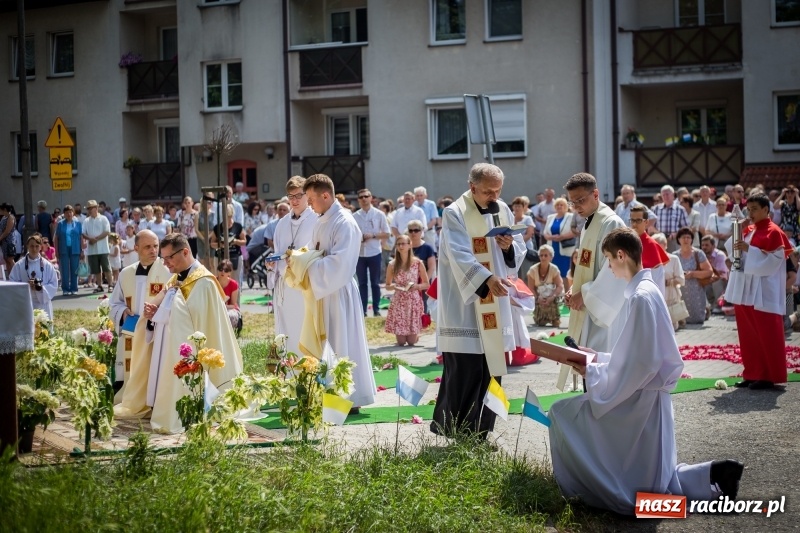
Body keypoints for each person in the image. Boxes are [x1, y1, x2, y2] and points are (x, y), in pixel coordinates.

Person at [548, 227, 744, 515]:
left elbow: (640, 364)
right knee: (656, 475)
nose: (609, 268)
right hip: (647, 393)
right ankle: (710, 475)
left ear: (621, 255)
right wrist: (598, 358)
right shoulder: (646, 290)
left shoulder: (640, 297)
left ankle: (587, 492)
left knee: (564, 415)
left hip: (640, 399)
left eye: (609, 260)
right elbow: (638, 354)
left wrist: (593, 372)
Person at [430, 163, 526, 439]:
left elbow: (518, 249)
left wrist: (509, 249)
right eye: (487, 191)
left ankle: (482, 432)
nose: (494, 197)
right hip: (466, 305)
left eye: (498, 190)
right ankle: (457, 431)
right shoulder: (455, 212)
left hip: (494, 301)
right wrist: (485, 280)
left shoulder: (503, 209)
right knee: (466, 368)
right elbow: (459, 254)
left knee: (491, 368)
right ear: (472, 187)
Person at [144, 233, 244, 433]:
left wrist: (168, 309)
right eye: (163, 259)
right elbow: (162, 301)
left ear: (186, 252)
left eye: (169, 258)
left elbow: (196, 319)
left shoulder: (204, 281)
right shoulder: (175, 278)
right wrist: (154, 310)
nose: (166, 264)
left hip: (199, 348)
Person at [294, 173, 376, 410]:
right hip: (324, 291)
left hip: (338, 291)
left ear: (326, 195)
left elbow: (340, 263)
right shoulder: (323, 219)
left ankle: (349, 399)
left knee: (342, 341)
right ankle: (330, 395)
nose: (309, 205)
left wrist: (307, 264)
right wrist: (299, 257)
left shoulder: (344, 222)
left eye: (311, 199)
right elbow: (315, 250)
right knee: (328, 342)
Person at [563, 172, 626, 389]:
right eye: (573, 202)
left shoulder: (611, 222)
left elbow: (612, 270)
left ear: (596, 194)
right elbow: (586, 266)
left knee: (600, 367)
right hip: (589, 304)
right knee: (587, 367)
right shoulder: (590, 223)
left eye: (581, 200)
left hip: (603, 310)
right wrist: (574, 289)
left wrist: (586, 295)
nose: (576, 207)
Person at [725, 193, 793, 390]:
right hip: (745, 289)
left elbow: (773, 261)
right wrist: (740, 229)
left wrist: (749, 249)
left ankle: (768, 375)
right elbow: (733, 249)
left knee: (765, 334)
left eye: (755, 209)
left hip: (763, 291)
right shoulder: (749, 229)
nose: (751, 213)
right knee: (748, 335)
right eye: (749, 209)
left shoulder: (774, 232)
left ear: (766, 209)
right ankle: (752, 373)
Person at [110, 230, 171, 413]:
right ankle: (132, 397)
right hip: (132, 330)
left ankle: (154, 401)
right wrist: (123, 312)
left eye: (155, 246)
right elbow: (114, 303)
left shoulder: (167, 272)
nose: (153, 250)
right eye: (147, 247)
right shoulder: (126, 274)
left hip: (155, 331)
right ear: (136, 248)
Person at [272, 176, 317, 356]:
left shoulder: (316, 219)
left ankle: (308, 366)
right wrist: (272, 263)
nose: (295, 200)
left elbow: (318, 250)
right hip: (286, 285)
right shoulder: (282, 223)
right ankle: (289, 367)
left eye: (299, 195)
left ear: (307, 195)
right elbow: (277, 250)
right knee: (288, 328)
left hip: (306, 285)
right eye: (291, 196)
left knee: (304, 328)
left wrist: (298, 259)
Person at [384, 234, 429, 346]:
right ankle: (403, 336)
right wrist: (395, 287)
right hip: (399, 300)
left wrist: (417, 286)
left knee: (411, 342)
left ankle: (415, 336)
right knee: (401, 342)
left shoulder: (418, 263)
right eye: (398, 244)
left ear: (410, 245)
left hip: (413, 299)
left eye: (403, 243)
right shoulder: (392, 264)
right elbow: (387, 285)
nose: (400, 246)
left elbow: (427, 284)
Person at [353, 188, 390, 317]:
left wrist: (373, 235)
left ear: (370, 198)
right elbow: (351, 234)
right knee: (362, 283)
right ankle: (362, 310)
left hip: (374, 252)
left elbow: (387, 233)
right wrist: (360, 238)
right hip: (360, 254)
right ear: (358, 200)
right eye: (361, 197)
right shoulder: (355, 216)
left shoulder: (379, 214)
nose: (364, 199)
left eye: (366, 196)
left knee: (375, 282)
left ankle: (376, 309)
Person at [9, 234, 59, 319]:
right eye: (32, 246)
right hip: (26, 303)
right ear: (27, 246)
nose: (34, 249)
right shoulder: (19, 265)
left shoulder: (47, 265)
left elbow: (54, 284)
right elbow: (12, 283)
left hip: (43, 303)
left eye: (37, 246)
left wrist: (40, 287)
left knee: (43, 329)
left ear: (40, 247)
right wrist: (26, 286)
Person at [676, 226, 713, 324]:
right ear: (678, 239)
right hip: (681, 291)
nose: (686, 240)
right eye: (683, 237)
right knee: (681, 319)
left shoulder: (698, 253)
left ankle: (705, 310)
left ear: (692, 240)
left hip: (696, 290)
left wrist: (692, 274)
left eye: (688, 237)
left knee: (697, 320)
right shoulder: (674, 256)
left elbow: (709, 272)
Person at [630, 206, 669, 296]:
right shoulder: (627, 241)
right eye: (632, 220)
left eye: (638, 220)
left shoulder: (652, 246)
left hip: (645, 295)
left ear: (646, 222)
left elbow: (657, 281)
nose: (634, 224)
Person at [653, 232, 687, 331]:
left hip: (670, 297)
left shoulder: (673, 259)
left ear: (665, 245)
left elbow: (681, 279)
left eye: (658, 245)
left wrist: (667, 282)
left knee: (671, 328)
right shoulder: (650, 260)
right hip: (655, 297)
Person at [82, 200, 114, 293]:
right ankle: (99, 285)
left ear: (96, 208)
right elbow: (83, 233)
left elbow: (107, 231)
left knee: (106, 267)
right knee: (96, 269)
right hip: (92, 249)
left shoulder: (103, 218)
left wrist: (95, 239)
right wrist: (89, 239)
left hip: (103, 248)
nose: (88, 210)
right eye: (88, 209)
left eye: (90, 208)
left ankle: (110, 285)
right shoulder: (86, 220)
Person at [527, 244, 563, 327]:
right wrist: (537, 297)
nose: (543, 257)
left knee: (555, 323)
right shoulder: (532, 270)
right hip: (539, 297)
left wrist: (552, 296)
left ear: (551, 257)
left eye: (546, 255)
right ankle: (540, 316)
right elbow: (531, 288)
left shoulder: (554, 269)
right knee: (541, 323)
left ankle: (554, 316)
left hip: (551, 296)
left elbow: (559, 286)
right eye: (541, 255)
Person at [209, 204, 246, 281]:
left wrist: (236, 241)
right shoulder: (217, 227)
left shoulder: (238, 226)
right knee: (220, 280)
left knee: (235, 279)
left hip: (235, 255)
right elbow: (212, 243)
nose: (228, 219)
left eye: (230, 216)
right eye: (226, 216)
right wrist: (221, 245)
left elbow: (244, 241)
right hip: (220, 256)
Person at [52, 205, 83, 295]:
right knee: (64, 269)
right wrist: (56, 251)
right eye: (66, 212)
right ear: (64, 214)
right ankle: (65, 289)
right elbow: (56, 238)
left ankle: (74, 288)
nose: (69, 214)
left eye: (70, 212)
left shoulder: (78, 224)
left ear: (73, 213)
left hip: (75, 248)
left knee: (74, 269)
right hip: (63, 248)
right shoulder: (60, 224)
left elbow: (81, 237)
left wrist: (82, 250)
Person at [542, 197, 576, 280]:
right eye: (557, 205)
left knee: (565, 272)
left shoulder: (571, 217)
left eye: (562, 205)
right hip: (552, 248)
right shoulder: (550, 217)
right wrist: (552, 237)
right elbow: (545, 233)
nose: (559, 206)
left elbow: (575, 231)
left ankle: (566, 290)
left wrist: (562, 237)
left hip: (565, 248)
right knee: (553, 271)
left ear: (565, 206)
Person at [408, 219, 436, 314]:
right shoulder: (405, 247)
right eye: (410, 230)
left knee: (424, 306)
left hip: (424, 282)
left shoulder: (428, 248)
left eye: (416, 230)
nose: (413, 233)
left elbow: (432, 267)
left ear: (421, 231)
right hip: (409, 282)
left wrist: (423, 282)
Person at [653, 185, 689, 252]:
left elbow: (686, 227)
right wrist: (658, 233)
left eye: (667, 194)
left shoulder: (680, 209)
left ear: (673, 195)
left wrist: (676, 234)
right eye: (663, 195)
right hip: (660, 240)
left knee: (674, 260)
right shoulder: (656, 209)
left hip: (675, 240)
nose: (665, 197)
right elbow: (651, 226)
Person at [700, 235, 728, 312]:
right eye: (702, 245)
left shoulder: (720, 255)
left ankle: (719, 305)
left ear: (713, 246)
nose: (704, 247)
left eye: (707, 245)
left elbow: (721, 273)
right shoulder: (701, 255)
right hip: (710, 278)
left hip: (723, 281)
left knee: (716, 281)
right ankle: (709, 305)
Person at [510, 196, 536, 279]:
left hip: (526, 249)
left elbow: (529, 234)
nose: (517, 208)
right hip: (513, 250)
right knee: (516, 274)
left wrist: (517, 242)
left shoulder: (528, 219)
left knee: (526, 273)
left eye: (519, 206)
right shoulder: (510, 219)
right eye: (515, 206)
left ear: (523, 207)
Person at [216, 259, 241, 331]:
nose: (222, 272)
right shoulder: (213, 281)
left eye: (226, 270)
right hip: (215, 308)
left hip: (229, 308)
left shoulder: (233, 284)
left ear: (229, 273)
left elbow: (233, 304)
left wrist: (223, 305)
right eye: (220, 269)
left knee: (230, 316)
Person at [0, 202, 17, 274]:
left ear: (4, 209)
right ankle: (10, 275)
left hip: (9, 241)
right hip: (4, 242)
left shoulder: (11, 217)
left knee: (10, 259)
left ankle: (16, 274)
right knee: (6, 259)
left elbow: (7, 231)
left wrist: (0, 238)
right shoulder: (4, 217)